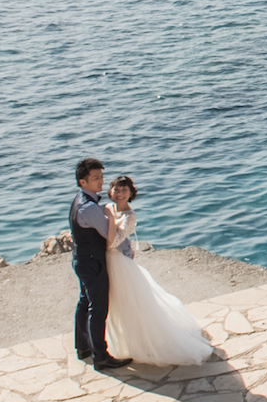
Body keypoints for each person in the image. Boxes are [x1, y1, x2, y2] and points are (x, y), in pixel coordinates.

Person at [101, 177, 214, 366]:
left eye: (124, 190)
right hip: (107, 261)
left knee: (128, 303)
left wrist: (110, 219)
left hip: (118, 263)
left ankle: (137, 343)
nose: (119, 194)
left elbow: (113, 242)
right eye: (116, 190)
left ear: (131, 193)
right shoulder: (107, 208)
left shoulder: (129, 216)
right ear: (111, 191)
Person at [70, 158, 126, 370]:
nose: (100, 181)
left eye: (101, 177)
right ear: (82, 182)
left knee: (84, 302)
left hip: (81, 260)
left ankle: (83, 347)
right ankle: (101, 356)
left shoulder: (79, 200)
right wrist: (115, 219)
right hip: (93, 264)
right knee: (98, 308)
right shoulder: (89, 208)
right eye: (95, 178)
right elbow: (110, 236)